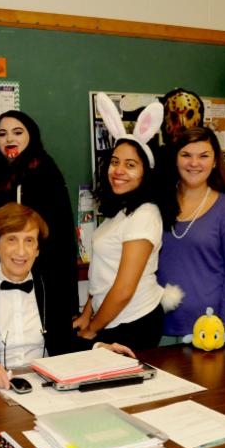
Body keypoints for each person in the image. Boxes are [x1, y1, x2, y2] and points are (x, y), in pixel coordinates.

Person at [0, 203, 132, 389]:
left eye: (29, 241)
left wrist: (98, 349)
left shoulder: (52, 287)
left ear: (37, 249)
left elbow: (64, 342)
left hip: (46, 388)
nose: (21, 251)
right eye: (11, 240)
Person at [74, 93, 171, 351]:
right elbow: (102, 272)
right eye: (115, 162)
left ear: (145, 172)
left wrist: (93, 329)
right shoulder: (120, 209)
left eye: (130, 165)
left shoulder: (145, 214)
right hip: (108, 319)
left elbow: (124, 288)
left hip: (134, 322)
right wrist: (87, 313)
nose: (118, 171)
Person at [157, 127, 225, 336]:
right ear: (175, 159)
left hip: (207, 331)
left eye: (203, 156)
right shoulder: (157, 202)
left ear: (215, 161)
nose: (194, 163)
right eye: (186, 155)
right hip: (155, 326)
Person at [0, 110, 79, 320]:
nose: (9, 139)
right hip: (2, 273)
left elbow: (62, 236)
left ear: (31, 136)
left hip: (43, 276)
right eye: (2, 134)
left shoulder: (45, 171)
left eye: (17, 132)